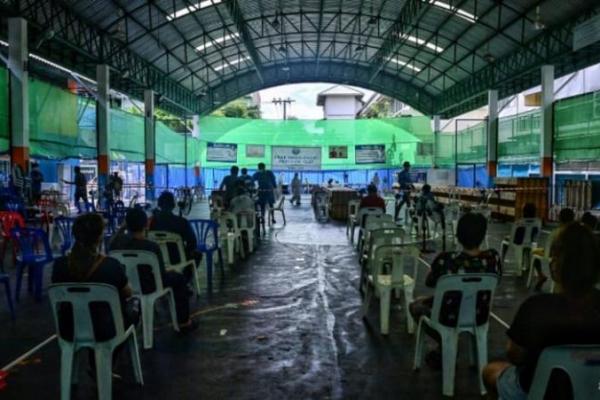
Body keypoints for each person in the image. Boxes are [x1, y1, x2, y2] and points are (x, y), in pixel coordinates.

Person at [483, 222, 600, 400]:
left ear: (556, 265)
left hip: (537, 389)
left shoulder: (536, 307)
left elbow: (515, 355)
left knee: (490, 371)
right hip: (593, 388)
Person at [409, 212, 502, 369]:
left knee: (415, 306)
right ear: (482, 235)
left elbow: (429, 282)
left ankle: (445, 344)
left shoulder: (446, 259)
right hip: (478, 315)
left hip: (447, 316)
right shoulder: (493, 258)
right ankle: (445, 347)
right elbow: (497, 279)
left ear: (458, 235)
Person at [52, 213, 139, 372]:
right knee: (134, 306)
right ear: (99, 237)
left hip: (69, 329)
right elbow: (128, 293)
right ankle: (104, 364)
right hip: (105, 330)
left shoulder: (59, 265)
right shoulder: (111, 266)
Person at [110, 208, 198, 333]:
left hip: (126, 285)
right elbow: (161, 273)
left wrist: (122, 228)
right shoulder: (150, 247)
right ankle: (184, 322)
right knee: (178, 279)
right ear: (146, 224)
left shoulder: (116, 244)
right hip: (150, 285)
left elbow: (113, 240)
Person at [530, 207, 574, 291]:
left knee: (534, 252)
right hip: (571, 258)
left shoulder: (556, 233)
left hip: (555, 257)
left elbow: (548, 248)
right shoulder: (577, 232)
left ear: (560, 218)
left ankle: (540, 275)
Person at [150, 191, 199, 265]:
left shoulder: (152, 222)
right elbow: (192, 243)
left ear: (159, 204)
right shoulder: (182, 222)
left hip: (157, 259)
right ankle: (187, 275)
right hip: (178, 259)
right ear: (173, 205)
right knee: (197, 255)